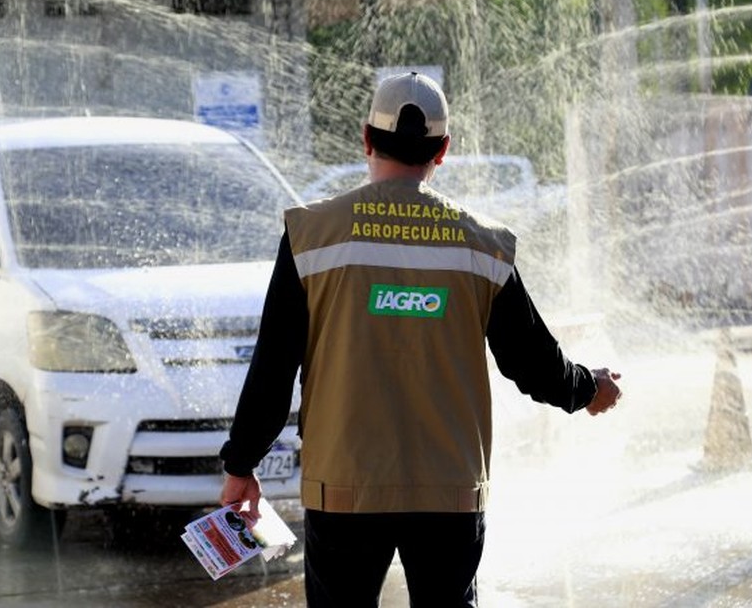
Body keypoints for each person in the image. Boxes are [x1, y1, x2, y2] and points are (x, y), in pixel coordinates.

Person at [219, 71, 623, 607]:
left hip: (343, 489)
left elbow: (273, 369)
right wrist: (587, 388)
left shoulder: (310, 237)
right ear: (444, 150)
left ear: (366, 139)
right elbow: (533, 364)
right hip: (449, 493)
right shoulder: (483, 247)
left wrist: (241, 464)